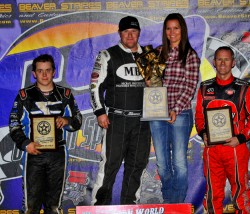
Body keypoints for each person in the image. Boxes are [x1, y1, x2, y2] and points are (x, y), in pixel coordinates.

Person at [9, 54, 82, 214]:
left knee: (54, 206)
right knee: (31, 206)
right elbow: (14, 123)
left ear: (54, 72)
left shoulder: (66, 94)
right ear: (34, 73)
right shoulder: (24, 95)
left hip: (58, 154)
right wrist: (25, 143)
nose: (44, 74)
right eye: (40, 71)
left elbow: (78, 120)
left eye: (48, 70)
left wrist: (67, 121)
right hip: (34, 154)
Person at [90, 16, 151, 205]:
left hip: (143, 121)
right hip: (116, 119)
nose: (130, 35)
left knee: (137, 166)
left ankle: (130, 205)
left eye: (133, 31)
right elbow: (95, 85)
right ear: (120, 33)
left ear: (139, 32)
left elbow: (158, 87)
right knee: (110, 165)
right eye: (126, 31)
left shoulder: (150, 56)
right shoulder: (107, 55)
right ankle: (98, 206)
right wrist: (100, 111)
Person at [195, 46, 250, 214]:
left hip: (235, 149)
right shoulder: (204, 88)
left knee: (241, 194)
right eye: (219, 59)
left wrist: (240, 138)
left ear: (233, 62)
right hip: (212, 150)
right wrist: (203, 134)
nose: (222, 63)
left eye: (226, 59)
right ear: (214, 62)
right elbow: (199, 118)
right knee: (212, 195)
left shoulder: (243, 88)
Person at [149, 13, 200, 203]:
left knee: (179, 162)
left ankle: (176, 204)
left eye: (176, 28)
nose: (172, 32)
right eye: (168, 28)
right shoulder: (157, 53)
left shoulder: (190, 55)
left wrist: (175, 109)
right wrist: (148, 81)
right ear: (165, 31)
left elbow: (190, 87)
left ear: (182, 30)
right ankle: (169, 200)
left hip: (181, 114)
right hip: (156, 114)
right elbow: (152, 85)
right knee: (162, 164)